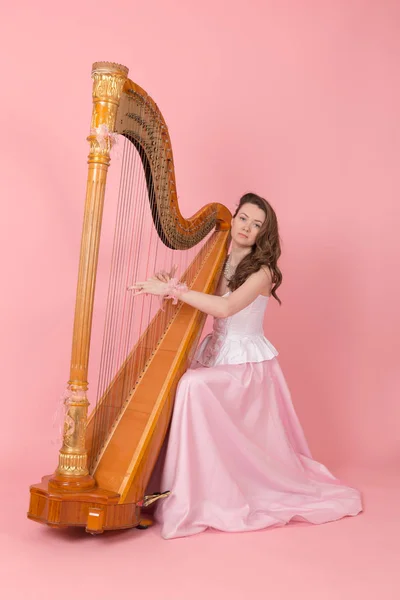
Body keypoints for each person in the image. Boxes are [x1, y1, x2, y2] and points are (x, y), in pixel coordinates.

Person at [129, 192, 362, 539]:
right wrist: (170, 287)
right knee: (178, 382)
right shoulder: (215, 260)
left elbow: (224, 309)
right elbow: (198, 302)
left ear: (262, 235)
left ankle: (202, 494)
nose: (247, 228)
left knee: (192, 386)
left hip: (246, 369)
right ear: (233, 218)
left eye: (256, 225)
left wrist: (175, 290)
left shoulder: (263, 272)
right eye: (243, 219)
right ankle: (179, 485)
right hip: (217, 357)